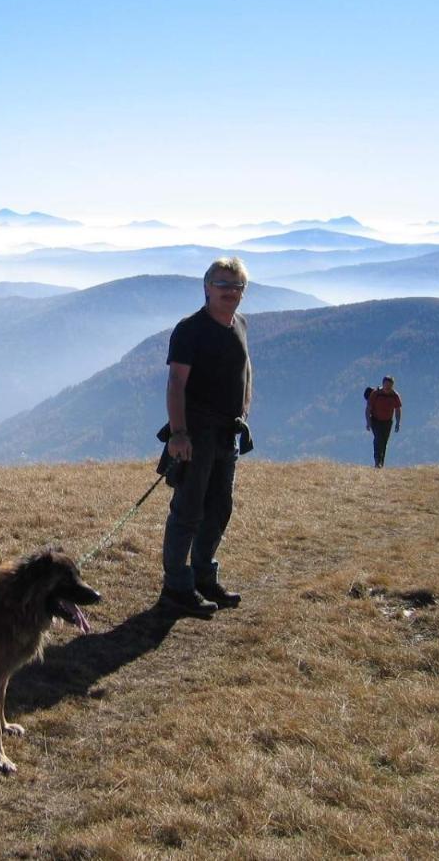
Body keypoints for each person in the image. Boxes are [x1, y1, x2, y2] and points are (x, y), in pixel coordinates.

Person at [159, 257, 252, 618]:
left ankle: (202, 577)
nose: (230, 291)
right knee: (188, 510)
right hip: (196, 432)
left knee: (218, 508)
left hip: (227, 432)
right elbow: (176, 383)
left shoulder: (240, 324)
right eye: (223, 284)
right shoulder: (190, 330)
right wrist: (179, 434)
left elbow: (246, 368)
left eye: (237, 286)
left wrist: (244, 409)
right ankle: (177, 587)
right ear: (207, 287)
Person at [367, 376, 402, 468]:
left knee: (384, 442)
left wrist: (398, 422)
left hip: (387, 422)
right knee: (378, 439)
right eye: (386, 386)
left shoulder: (395, 395)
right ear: (383, 384)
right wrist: (368, 422)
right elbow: (368, 408)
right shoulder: (376, 393)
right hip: (375, 420)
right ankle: (377, 461)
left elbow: (398, 409)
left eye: (390, 386)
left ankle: (381, 463)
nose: (387, 388)